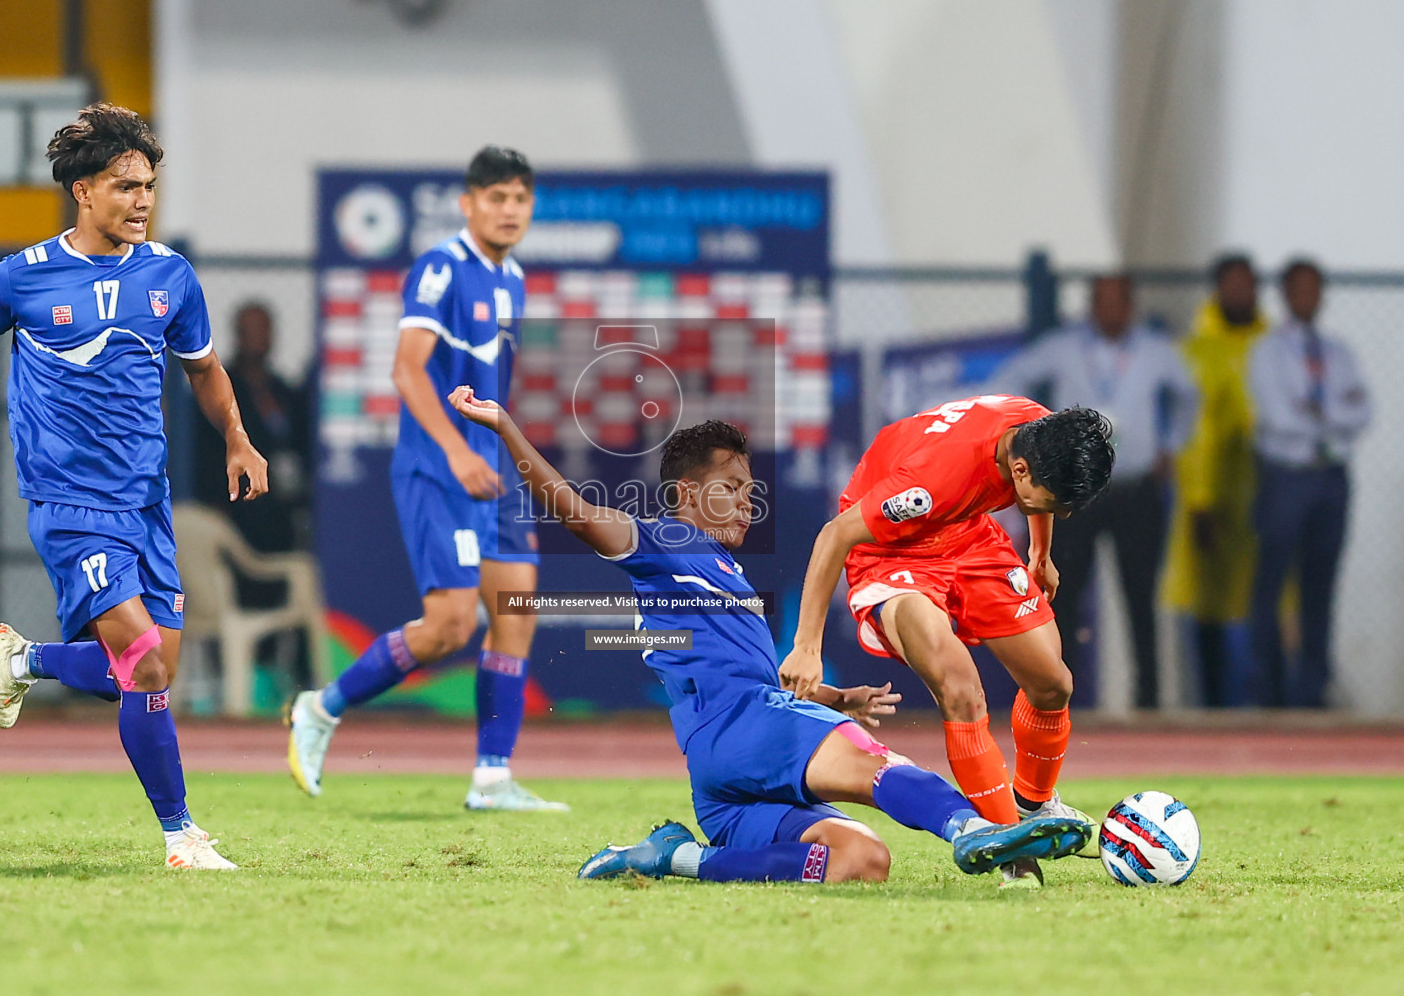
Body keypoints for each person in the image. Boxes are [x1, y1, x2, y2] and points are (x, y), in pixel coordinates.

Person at [448, 387, 1091, 886]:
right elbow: (577, 514)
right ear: (685, 493)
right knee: (875, 767)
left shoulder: (725, 575)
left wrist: (835, 700)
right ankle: (971, 829)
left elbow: (741, 676)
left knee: (861, 861)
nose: (747, 502)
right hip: (745, 731)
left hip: (721, 779)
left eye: (751, 491)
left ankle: (676, 859)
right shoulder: (661, 540)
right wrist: (507, 429)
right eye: (730, 488)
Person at [0, 103, 268, 870]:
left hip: (147, 502)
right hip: (70, 505)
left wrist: (238, 437)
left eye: (149, 187)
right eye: (127, 186)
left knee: (141, 672)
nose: (142, 201)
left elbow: (204, 369)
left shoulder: (171, 276)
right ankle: (180, 836)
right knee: (147, 667)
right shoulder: (21, 277)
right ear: (85, 191)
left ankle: (24, 659)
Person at [286, 147, 564, 811]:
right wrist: (457, 453)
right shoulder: (442, 267)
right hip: (440, 472)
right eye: (495, 198)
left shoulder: (514, 278)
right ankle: (319, 709)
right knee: (448, 627)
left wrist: (496, 454)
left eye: (519, 199)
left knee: (518, 610)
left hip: (490, 472)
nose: (508, 210)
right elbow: (408, 370)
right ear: (468, 204)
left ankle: (493, 777)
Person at [778, 395, 1115, 887]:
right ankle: (1012, 853)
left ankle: (1031, 805)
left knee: (1053, 684)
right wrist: (807, 645)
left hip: (966, 532)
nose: (1059, 514)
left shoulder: (1039, 431)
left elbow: (1038, 486)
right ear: (1020, 472)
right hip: (893, 552)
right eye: (1054, 502)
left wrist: (1039, 552)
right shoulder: (930, 482)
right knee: (960, 688)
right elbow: (835, 535)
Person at [988, 274, 1198, 707]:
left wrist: (1171, 446)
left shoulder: (1156, 351)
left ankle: (1148, 700)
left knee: (1140, 596)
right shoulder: (1065, 347)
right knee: (1063, 596)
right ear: (1090, 306)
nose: (1109, 310)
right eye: (1100, 301)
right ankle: (1060, 697)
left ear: (1131, 305)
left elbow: (1190, 394)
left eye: (1117, 301)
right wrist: (1034, 439)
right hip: (1076, 494)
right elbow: (1011, 377)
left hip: (1134, 488)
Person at [1246, 259, 1370, 707]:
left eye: (1315, 289)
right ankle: (1267, 690)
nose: (1308, 298)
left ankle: (1311, 691)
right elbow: (1279, 417)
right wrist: (1333, 417)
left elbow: (1364, 411)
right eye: (1299, 289)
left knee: (1321, 584)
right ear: (1285, 294)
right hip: (1286, 476)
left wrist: (1317, 414)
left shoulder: (1338, 352)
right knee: (1272, 583)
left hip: (1331, 478)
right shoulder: (1269, 351)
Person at [1162, 253, 1267, 706]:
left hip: (1262, 491)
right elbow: (1195, 436)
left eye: (1248, 284)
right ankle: (1211, 705)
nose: (1241, 293)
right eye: (1233, 284)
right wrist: (1201, 498)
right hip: (1209, 496)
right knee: (1206, 602)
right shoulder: (1196, 351)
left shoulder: (1272, 343)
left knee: (1268, 597)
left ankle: (1266, 702)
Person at [194, 300, 311, 553]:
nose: (258, 338)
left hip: (284, 509)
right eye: (250, 330)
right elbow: (205, 458)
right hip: (238, 510)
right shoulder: (219, 393)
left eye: (263, 330)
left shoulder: (285, 393)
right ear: (238, 335)